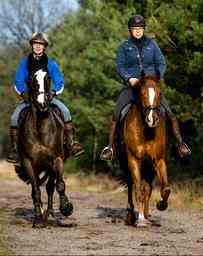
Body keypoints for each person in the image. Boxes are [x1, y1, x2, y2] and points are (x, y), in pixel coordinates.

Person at [100, 14, 191, 161]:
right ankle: (110, 147)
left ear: (143, 29)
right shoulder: (124, 47)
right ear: (130, 30)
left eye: (140, 28)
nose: (137, 31)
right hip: (132, 87)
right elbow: (120, 66)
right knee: (117, 114)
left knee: (170, 113)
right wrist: (129, 78)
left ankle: (180, 144)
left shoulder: (152, 44)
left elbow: (161, 63)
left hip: (150, 86)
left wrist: (156, 76)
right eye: (135, 28)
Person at [7, 32, 84, 164]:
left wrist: (54, 92)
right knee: (14, 117)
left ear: (44, 47)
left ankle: (72, 144)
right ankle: (15, 149)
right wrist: (23, 93)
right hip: (30, 99)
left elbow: (59, 81)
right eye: (35, 44)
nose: (38, 46)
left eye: (41, 44)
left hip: (47, 97)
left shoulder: (51, 64)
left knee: (65, 111)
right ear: (32, 45)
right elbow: (18, 81)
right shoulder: (24, 63)